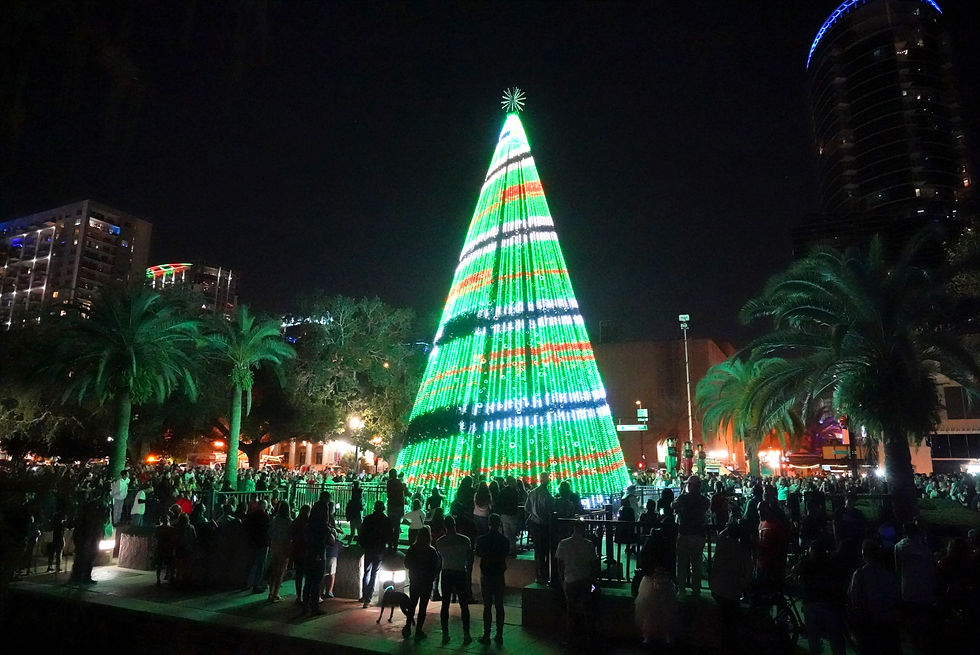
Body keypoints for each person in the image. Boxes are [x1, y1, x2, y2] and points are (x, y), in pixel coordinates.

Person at [848, 539, 900, 655]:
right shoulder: (888, 573)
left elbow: (854, 597)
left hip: (868, 623)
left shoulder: (859, 574)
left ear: (863, 554)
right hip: (888, 621)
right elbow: (895, 595)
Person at [555, 520, 599, 645]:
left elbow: (559, 564)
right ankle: (590, 637)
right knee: (587, 610)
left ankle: (570, 638)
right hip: (585, 580)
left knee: (571, 610)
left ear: (573, 528)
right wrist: (594, 583)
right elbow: (593, 564)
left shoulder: (563, 543)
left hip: (570, 580)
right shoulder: (589, 544)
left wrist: (562, 581)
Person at [435, 515, 472, 644]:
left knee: (445, 604)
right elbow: (469, 558)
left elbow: (440, 559)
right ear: (455, 525)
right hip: (460, 572)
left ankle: (445, 634)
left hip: (446, 572)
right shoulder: (465, 540)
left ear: (444, 527)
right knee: (464, 604)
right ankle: (466, 634)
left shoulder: (440, 542)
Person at [475, 513, 509, 645]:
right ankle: (499, 634)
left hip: (487, 574)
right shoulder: (504, 540)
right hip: (499, 574)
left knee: (487, 606)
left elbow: (478, 553)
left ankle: (486, 634)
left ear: (489, 524)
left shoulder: (482, 539)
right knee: (499, 605)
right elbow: (506, 554)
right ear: (499, 524)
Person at [673, 475, 710, 593]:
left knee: (682, 564)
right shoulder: (704, 500)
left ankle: (682, 588)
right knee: (696, 565)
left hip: (684, 534)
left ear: (690, 485)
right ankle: (696, 589)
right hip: (699, 535)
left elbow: (674, 506)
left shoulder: (682, 499)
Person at [404, 525, 441, 642]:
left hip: (415, 581)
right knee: (423, 607)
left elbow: (406, 564)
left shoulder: (413, 548)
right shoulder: (431, 551)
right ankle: (418, 630)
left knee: (412, 604)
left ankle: (407, 627)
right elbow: (436, 567)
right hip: (426, 582)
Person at [359, 500, 392, 607]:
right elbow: (389, 534)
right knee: (374, 573)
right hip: (379, 549)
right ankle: (368, 597)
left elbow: (362, 532)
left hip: (369, 547)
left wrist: (363, 544)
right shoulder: (386, 520)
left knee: (366, 572)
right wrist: (389, 546)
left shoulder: (368, 518)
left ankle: (364, 595)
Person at [525, 472, 554, 583]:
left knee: (538, 549)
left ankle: (538, 573)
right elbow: (551, 510)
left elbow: (527, 508)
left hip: (535, 524)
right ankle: (544, 573)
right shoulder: (548, 496)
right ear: (547, 481)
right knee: (545, 549)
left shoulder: (532, 493)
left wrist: (533, 514)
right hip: (544, 525)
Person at [243, 499, 271, 593]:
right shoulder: (265, 516)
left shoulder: (251, 515)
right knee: (260, 565)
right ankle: (256, 585)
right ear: (264, 506)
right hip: (262, 543)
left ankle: (246, 583)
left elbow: (246, 527)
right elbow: (268, 529)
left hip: (252, 542)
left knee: (250, 563)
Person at [266, 500, 292, 602]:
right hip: (284, 548)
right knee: (280, 572)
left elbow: (269, 533)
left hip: (274, 547)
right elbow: (290, 535)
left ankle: (270, 592)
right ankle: (275, 594)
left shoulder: (274, 520)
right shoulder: (289, 522)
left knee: (273, 571)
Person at [290, 504, 310, 604]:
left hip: (297, 550)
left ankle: (299, 595)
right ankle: (306, 595)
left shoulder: (295, 522)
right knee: (308, 574)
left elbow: (291, 535)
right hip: (306, 550)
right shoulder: (309, 523)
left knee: (299, 574)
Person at [386, 469, 406, 551]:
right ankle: (395, 543)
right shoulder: (399, 483)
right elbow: (402, 496)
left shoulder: (389, 482)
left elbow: (388, 494)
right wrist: (402, 508)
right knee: (397, 526)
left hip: (391, 506)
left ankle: (390, 542)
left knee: (390, 525)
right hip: (398, 506)